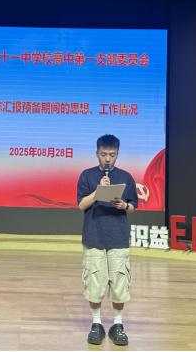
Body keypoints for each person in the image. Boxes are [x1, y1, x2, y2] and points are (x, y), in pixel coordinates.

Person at [77, 134, 139, 346]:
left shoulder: (126, 177)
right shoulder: (86, 175)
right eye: (103, 154)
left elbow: (133, 205)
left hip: (118, 237)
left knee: (120, 283)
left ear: (117, 155)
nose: (107, 159)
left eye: (112, 155)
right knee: (94, 282)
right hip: (94, 236)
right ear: (97, 153)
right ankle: (96, 324)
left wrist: (124, 205)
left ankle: (117, 325)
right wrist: (98, 191)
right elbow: (81, 205)